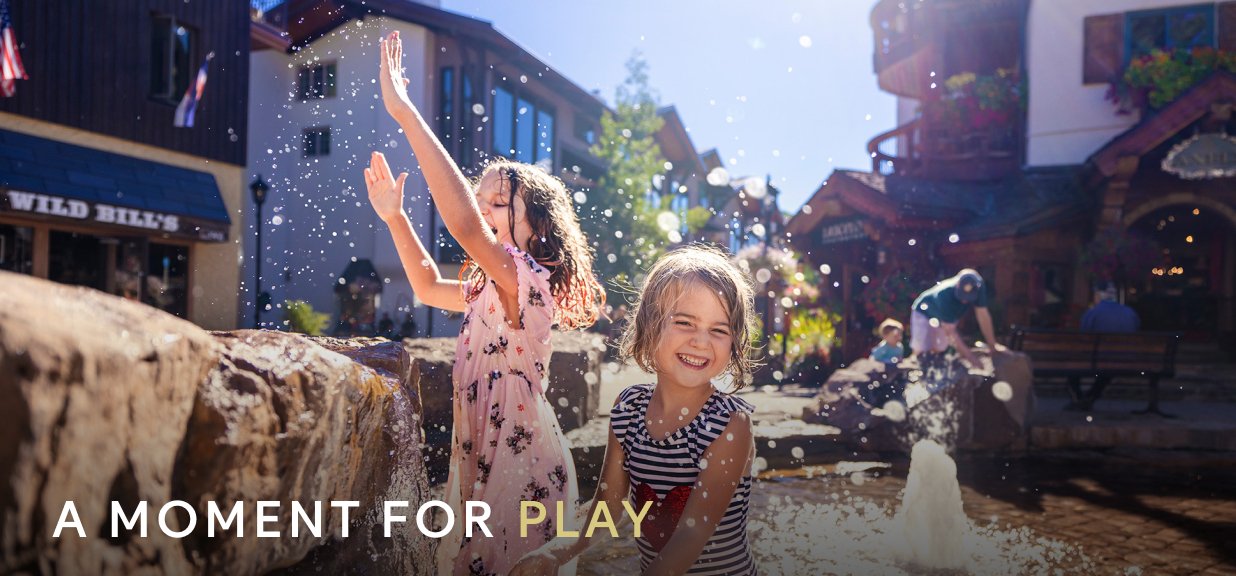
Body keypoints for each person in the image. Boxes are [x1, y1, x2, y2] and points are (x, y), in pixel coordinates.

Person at [365, 31, 604, 576]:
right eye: (482, 199)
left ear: (538, 227)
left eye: (500, 202)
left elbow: (468, 231)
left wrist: (405, 114)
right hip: (481, 450)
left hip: (522, 463)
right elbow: (426, 285)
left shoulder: (526, 279)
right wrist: (396, 218)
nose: (485, 209)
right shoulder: (486, 286)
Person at [512, 245, 759, 576]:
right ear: (650, 326)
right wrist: (554, 552)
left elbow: (692, 534)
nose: (702, 341)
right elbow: (608, 507)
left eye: (719, 329)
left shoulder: (729, 423)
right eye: (685, 322)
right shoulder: (629, 409)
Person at [909, 268, 1005, 366]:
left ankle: (932, 366)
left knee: (940, 347)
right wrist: (972, 359)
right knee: (922, 347)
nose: (964, 301)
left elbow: (983, 315)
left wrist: (992, 346)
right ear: (957, 285)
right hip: (923, 313)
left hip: (946, 317)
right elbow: (950, 333)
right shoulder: (944, 293)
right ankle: (913, 366)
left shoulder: (979, 286)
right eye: (962, 296)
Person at [1071, 282, 1141, 409]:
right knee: (1107, 370)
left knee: (1071, 366)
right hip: (1126, 359)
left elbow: (1084, 337)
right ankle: (1090, 397)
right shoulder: (1129, 312)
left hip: (1098, 359)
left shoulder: (1092, 313)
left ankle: (1080, 397)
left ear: (1098, 295)